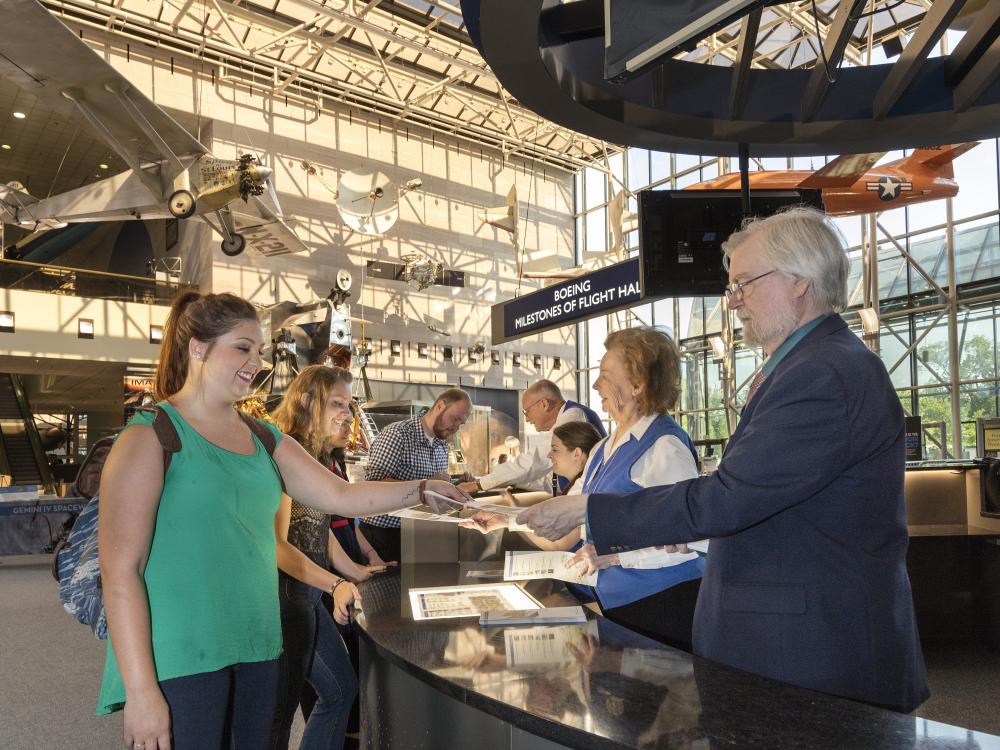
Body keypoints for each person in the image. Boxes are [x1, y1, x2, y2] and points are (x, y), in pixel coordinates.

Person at [518, 207, 930, 713]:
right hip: (795, 643)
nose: (734, 302)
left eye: (744, 284)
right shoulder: (814, 365)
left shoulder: (823, 373)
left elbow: (731, 497)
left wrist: (588, 511)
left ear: (799, 281)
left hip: (812, 654)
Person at [97, 292, 467, 750]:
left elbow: (341, 495)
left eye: (259, 350)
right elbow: (120, 573)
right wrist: (139, 690)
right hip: (181, 655)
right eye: (242, 347)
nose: (257, 361)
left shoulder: (262, 437)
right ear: (197, 347)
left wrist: (422, 489)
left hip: (256, 644)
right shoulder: (149, 436)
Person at [568, 327, 704, 650]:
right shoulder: (602, 448)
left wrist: (616, 559)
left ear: (638, 385)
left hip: (658, 612)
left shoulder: (665, 446)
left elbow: (692, 541)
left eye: (604, 375)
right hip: (617, 610)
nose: (595, 385)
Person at [269, 365, 362, 750]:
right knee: (277, 716)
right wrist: (336, 583)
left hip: (305, 597)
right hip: (286, 599)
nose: (348, 413)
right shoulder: (287, 452)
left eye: (350, 404)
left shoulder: (316, 457)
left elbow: (316, 530)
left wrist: (356, 570)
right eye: (337, 403)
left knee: (341, 690)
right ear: (308, 401)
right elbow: (276, 547)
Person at [360, 389, 473, 563]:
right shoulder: (397, 434)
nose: (456, 427)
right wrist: (426, 484)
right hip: (384, 535)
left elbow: (434, 487)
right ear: (440, 406)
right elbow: (373, 484)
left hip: (420, 531)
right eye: (455, 418)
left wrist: (456, 484)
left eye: (461, 423)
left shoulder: (441, 445)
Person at [461, 420, 604, 552]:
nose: (549, 455)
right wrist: (511, 514)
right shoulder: (581, 485)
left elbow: (558, 542)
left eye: (555, 449)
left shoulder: (583, 490)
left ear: (577, 454)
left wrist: (509, 518)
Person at [457, 380, 606, 495]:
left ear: (544, 404)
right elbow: (549, 480)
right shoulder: (566, 418)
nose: (527, 419)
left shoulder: (573, 416)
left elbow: (536, 462)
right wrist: (509, 482)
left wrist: (479, 485)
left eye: (527, 411)